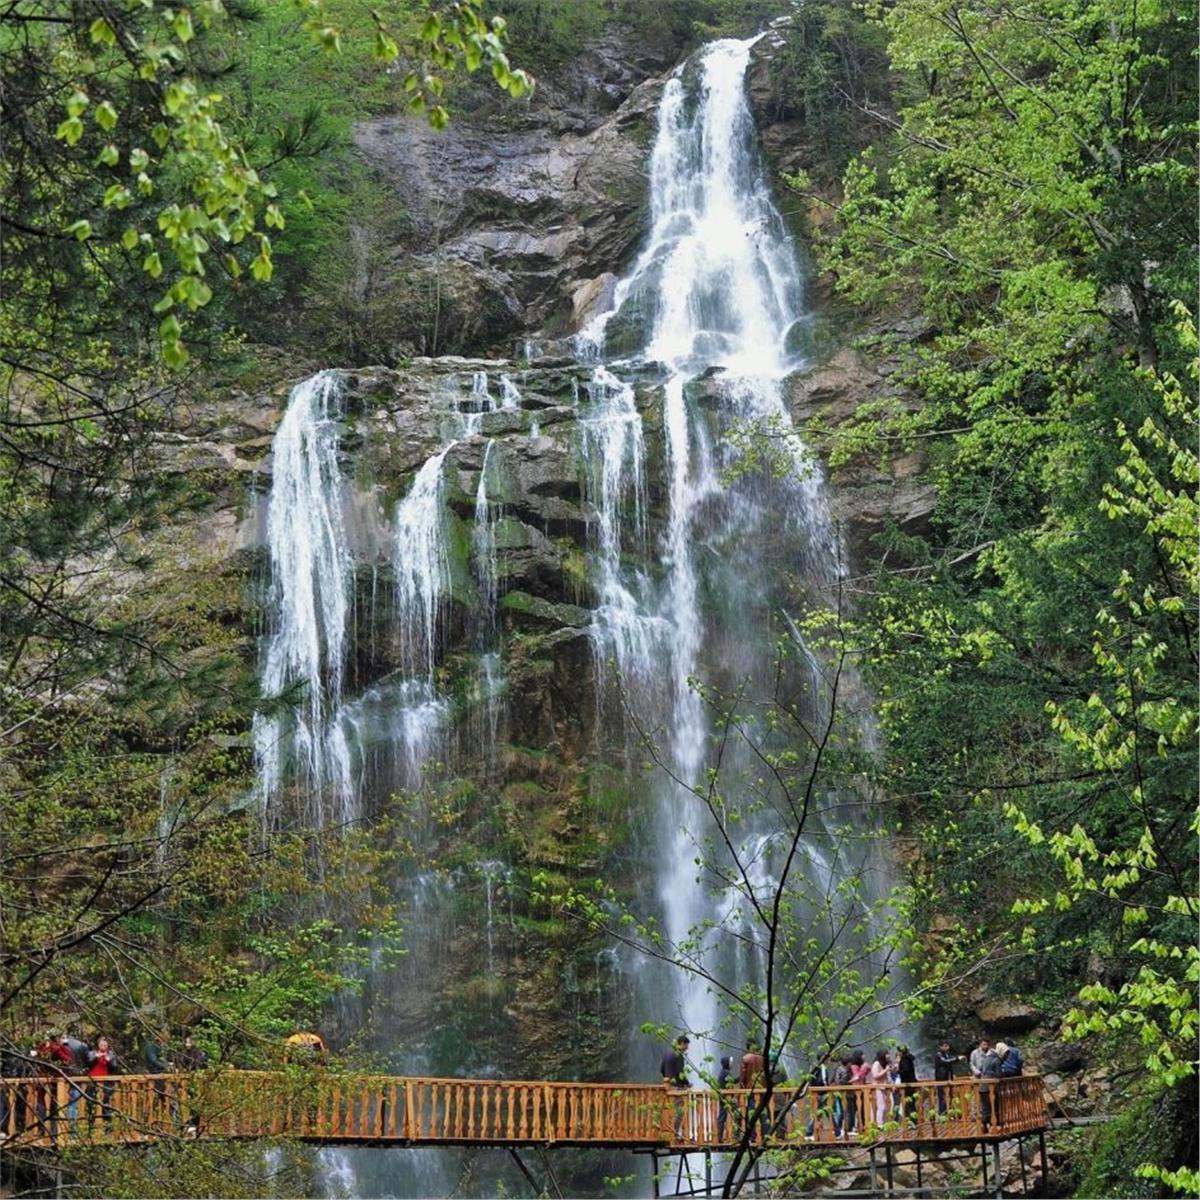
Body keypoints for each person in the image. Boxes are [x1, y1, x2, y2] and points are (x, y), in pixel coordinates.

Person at [659, 1035, 690, 1140]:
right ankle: (675, 1133)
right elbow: (680, 1072)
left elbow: (662, 1069)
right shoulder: (678, 1055)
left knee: (668, 1110)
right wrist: (687, 1083)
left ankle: (666, 1132)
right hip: (677, 1088)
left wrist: (667, 1079)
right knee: (679, 1111)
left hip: (668, 1087)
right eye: (686, 1045)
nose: (687, 1048)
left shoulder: (667, 1053)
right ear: (682, 1043)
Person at [739, 1038, 768, 1142]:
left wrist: (741, 1089)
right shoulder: (762, 1059)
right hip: (761, 1089)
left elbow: (742, 1077)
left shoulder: (745, 1058)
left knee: (751, 1112)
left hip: (750, 1090)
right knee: (763, 1112)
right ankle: (767, 1134)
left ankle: (752, 1136)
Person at [85, 1037, 119, 1126]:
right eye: (101, 1044)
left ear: (108, 1046)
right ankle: (90, 1125)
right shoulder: (92, 1053)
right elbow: (87, 1063)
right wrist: (96, 1057)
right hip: (93, 1081)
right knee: (91, 1103)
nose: (103, 1046)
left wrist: (109, 1061)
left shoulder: (111, 1055)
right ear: (98, 1045)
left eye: (105, 1045)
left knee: (106, 1103)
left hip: (106, 1082)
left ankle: (107, 1126)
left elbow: (115, 1069)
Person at [805, 1058, 840, 1140]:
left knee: (820, 1112)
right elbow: (823, 1080)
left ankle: (809, 1132)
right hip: (822, 1093)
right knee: (826, 1111)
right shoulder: (823, 1067)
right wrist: (827, 1088)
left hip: (816, 1092)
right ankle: (837, 1131)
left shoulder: (814, 1066)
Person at [933, 1039, 962, 1116]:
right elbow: (946, 1062)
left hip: (948, 1078)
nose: (947, 1047)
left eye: (948, 1046)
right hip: (941, 1079)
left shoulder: (947, 1055)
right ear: (940, 1047)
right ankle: (943, 1114)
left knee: (950, 1096)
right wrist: (957, 1059)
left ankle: (950, 1113)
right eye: (945, 1046)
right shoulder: (938, 1055)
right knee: (942, 1098)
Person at [977, 1042, 1001, 1130]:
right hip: (991, 1086)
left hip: (982, 1085)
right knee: (994, 1105)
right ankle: (994, 1124)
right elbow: (998, 1074)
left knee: (985, 1106)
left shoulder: (985, 1059)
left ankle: (984, 1125)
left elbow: (980, 1069)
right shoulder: (996, 1060)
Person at [868, 1049, 891, 1128]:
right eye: (886, 1054)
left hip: (883, 1087)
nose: (888, 1056)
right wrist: (885, 1070)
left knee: (884, 1106)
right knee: (881, 1106)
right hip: (878, 1087)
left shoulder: (884, 1064)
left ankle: (882, 1122)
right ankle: (879, 1123)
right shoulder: (876, 1063)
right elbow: (875, 1075)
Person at [715, 1054, 734, 1143]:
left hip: (723, 1097)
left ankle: (720, 1136)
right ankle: (720, 1136)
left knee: (722, 1116)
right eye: (730, 1062)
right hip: (725, 1098)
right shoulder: (726, 1072)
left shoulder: (723, 1072)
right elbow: (731, 1082)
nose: (731, 1064)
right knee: (723, 1116)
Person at [897, 1046, 917, 1122]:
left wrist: (898, 1071)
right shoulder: (909, 1058)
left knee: (910, 1103)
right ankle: (913, 1121)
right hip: (911, 1083)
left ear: (901, 1052)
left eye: (898, 1051)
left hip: (908, 1084)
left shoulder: (904, 1059)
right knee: (911, 1104)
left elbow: (906, 1071)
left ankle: (913, 1121)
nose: (897, 1053)